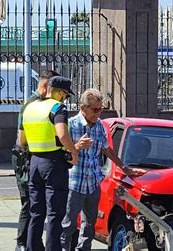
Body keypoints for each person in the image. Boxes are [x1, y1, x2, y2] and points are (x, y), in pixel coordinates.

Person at [60, 89, 146, 251]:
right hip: (74, 183)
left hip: (93, 183)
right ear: (83, 107)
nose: (98, 113)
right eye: (95, 110)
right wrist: (76, 147)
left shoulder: (99, 126)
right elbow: (61, 155)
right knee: (68, 224)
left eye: (101, 109)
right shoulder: (71, 125)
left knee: (89, 225)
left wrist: (125, 168)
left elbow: (108, 150)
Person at [19, 76, 79, 251]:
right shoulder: (57, 108)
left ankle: (33, 248)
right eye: (66, 95)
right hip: (54, 164)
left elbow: (21, 140)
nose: (65, 99)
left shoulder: (29, 107)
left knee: (36, 212)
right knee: (55, 213)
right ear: (60, 93)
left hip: (34, 163)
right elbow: (62, 134)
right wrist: (73, 151)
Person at [12, 70, 60, 251]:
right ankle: (23, 243)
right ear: (47, 86)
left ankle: (31, 243)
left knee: (34, 204)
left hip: (32, 160)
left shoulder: (35, 103)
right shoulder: (33, 104)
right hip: (28, 159)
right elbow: (22, 140)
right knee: (29, 204)